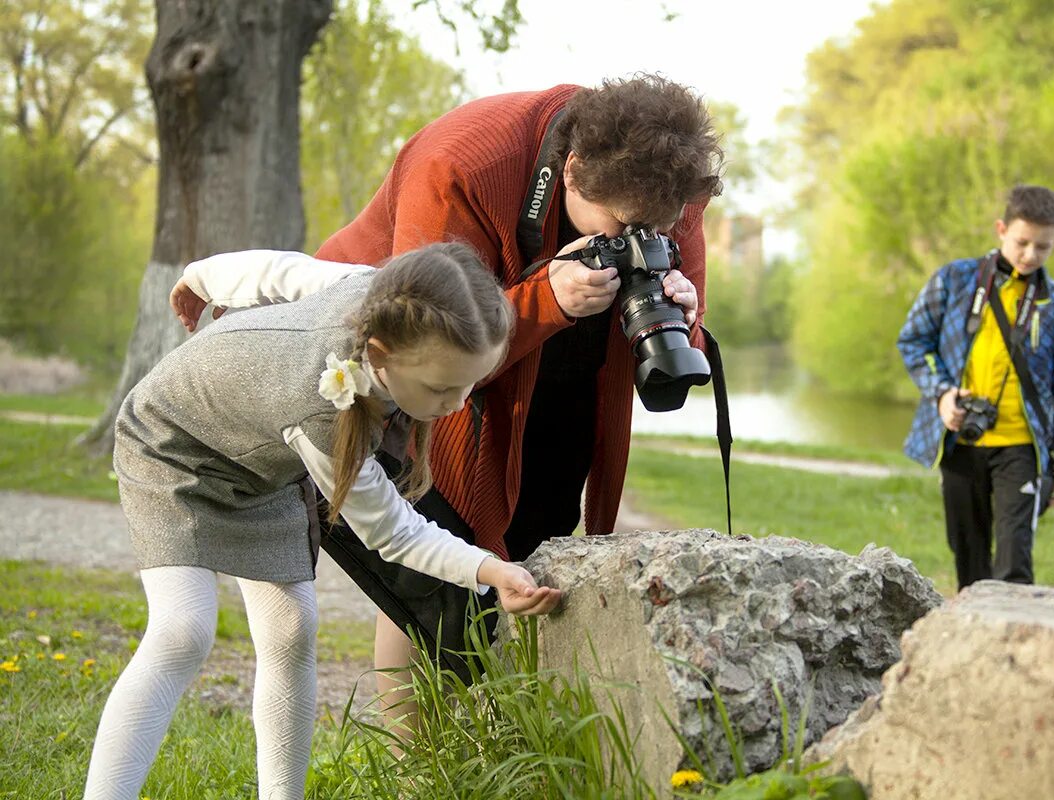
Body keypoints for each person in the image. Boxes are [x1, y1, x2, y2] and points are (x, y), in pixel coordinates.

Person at [312, 73, 723, 723]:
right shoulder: (466, 163)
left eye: (661, 228)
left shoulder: (667, 184)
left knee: (535, 564)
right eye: (624, 226)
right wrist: (546, 301)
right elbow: (426, 338)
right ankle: (415, 762)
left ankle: (504, 745)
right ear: (573, 169)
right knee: (437, 572)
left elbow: (675, 338)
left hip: (563, 375)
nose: (643, 235)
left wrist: (684, 316)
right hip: (403, 361)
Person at [82, 244, 562, 800]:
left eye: (468, 386)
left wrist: (202, 279)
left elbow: (282, 271)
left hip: (262, 462)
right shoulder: (326, 407)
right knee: (182, 632)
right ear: (380, 354)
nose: (455, 405)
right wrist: (485, 569)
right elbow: (391, 531)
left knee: (290, 629)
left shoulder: (385, 299)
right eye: (440, 389)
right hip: (173, 446)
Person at [897, 184, 1054, 590]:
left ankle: (1016, 650)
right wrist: (942, 393)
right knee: (968, 555)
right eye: (1021, 242)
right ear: (1001, 229)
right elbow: (912, 341)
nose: (1030, 255)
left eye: (1043, 246)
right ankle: (973, 647)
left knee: (1014, 561)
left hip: (1022, 447)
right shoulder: (955, 280)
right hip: (960, 442)